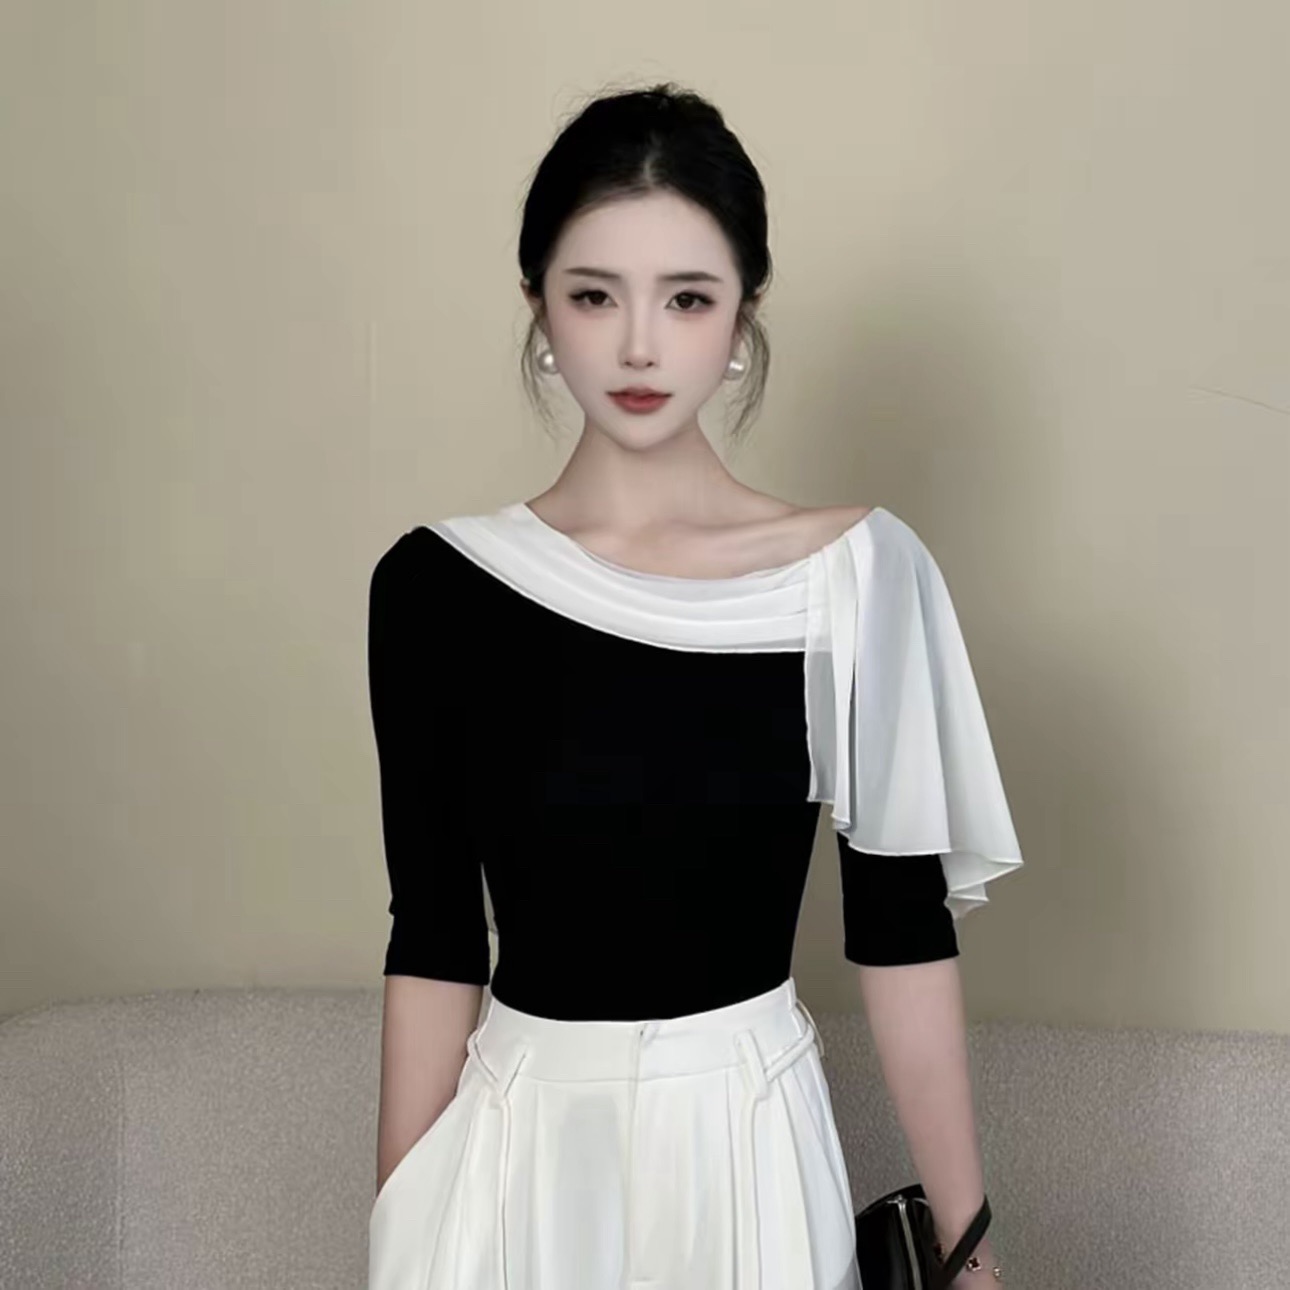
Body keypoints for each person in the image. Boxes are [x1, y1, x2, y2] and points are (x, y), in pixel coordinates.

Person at [366, 82, 1022, 1290]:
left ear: (742, 316)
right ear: (538, 307)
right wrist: (396, 1236)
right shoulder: (437, 586)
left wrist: (967, 1250)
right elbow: (435, 938)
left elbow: (901, 934)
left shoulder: (854, 578)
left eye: (686, 298)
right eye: (594, 295)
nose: (638, 345)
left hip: (749, 1149)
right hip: (513, 1163)